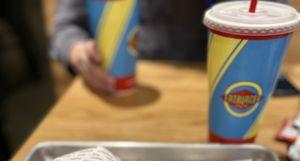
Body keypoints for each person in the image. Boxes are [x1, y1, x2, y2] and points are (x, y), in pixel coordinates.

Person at [50, 0, 289, 96]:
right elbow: (64, 28)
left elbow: (272, 17)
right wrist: (75, 50)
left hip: (217, 83)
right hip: (122, 88)